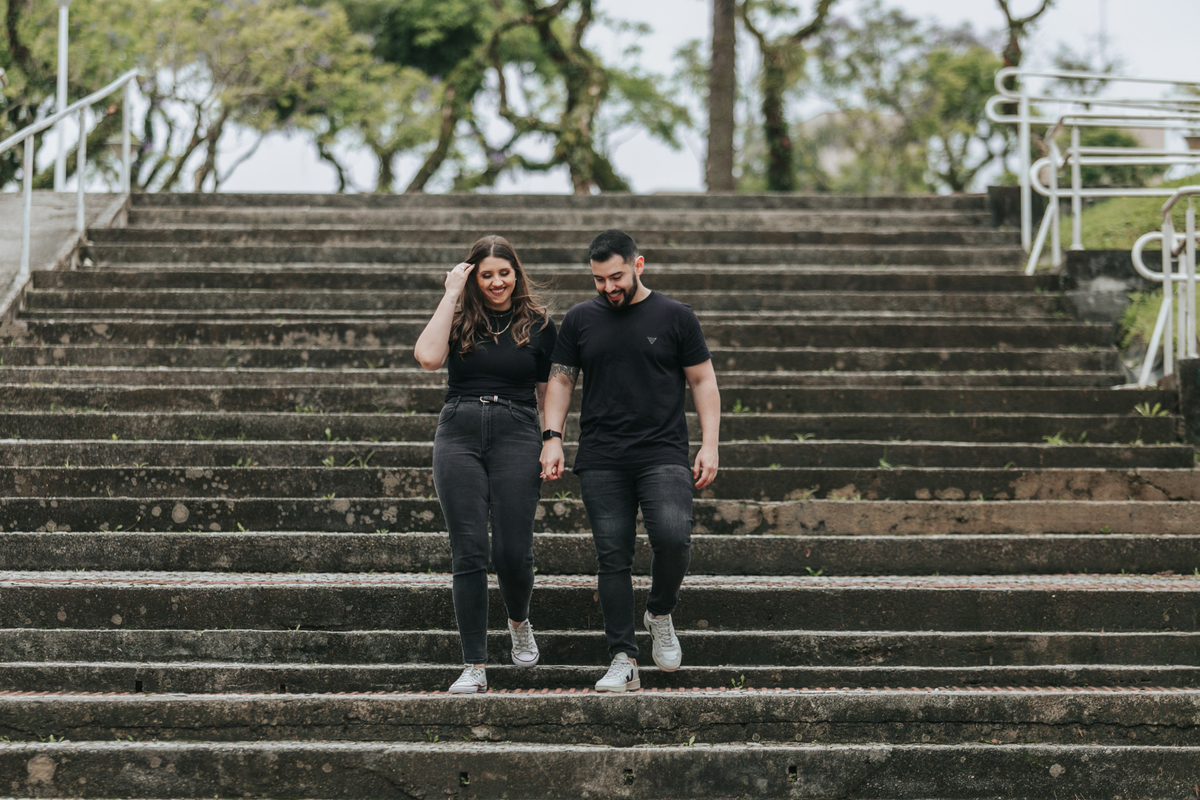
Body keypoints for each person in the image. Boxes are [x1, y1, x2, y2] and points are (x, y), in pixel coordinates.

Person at [539, 229, 721, 693]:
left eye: (616, 277)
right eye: (599, 280)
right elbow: (561, 381)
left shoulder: (676, 316)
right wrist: (552, 437)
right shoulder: (580, 319)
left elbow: (702, 380)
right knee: (613, 557)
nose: (608, 287)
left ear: (638, 265)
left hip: (663, 451)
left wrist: (710, 444)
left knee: (674, 537)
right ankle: (623, 658)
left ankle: (659, 612)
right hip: (602, 456)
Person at [414, 234, 557, 695]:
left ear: (516, 274)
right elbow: (428, 357)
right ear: (473, 277)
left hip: (517, 430)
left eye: (504, 273)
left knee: (513, 552)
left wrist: (552, 440)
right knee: (469, 551)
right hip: (458, 431)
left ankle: (519, 622)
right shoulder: (458, 318)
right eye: (486, 275)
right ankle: (474, 664)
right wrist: (451, 293)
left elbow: (547, 391)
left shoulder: (539, 324)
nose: (497, 282)